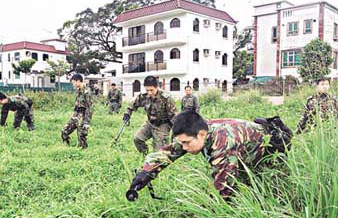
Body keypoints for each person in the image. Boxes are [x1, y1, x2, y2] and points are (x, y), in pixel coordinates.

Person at [127, 111, 293, 200]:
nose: (183, 147)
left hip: (269, 153)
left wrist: (208, 209)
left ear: (201, 135)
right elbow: (169, 152)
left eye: (186, 143)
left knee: (270, 192)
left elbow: (223, 189)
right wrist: (145, 173)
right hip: (244, 150)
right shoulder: (195, 133)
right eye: (182, 143)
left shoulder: (223, 145)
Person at [122, 76, 178, 155]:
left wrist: (176, 133)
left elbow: (174, 116)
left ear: (157, 87)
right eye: (147, 90)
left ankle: (159, 162)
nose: (149, 93)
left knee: (159, 153)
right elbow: (133, 103)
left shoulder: (166, 98)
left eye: (151, 90)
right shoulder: (145, 96)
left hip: (162, 125)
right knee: (137, 139)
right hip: (150, 123)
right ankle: (145, 155)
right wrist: (127, 112)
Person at [61, 74, 93, 149]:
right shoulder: (78, 91)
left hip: (83, 115)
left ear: (78, 81)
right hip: (76, 115)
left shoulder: (87, 91)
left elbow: (90, 107)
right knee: (65, 130)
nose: (73, 84)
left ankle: (83, 151)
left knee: (82, 135)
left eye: (73, 82)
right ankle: (66, 146)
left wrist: (87, 122)